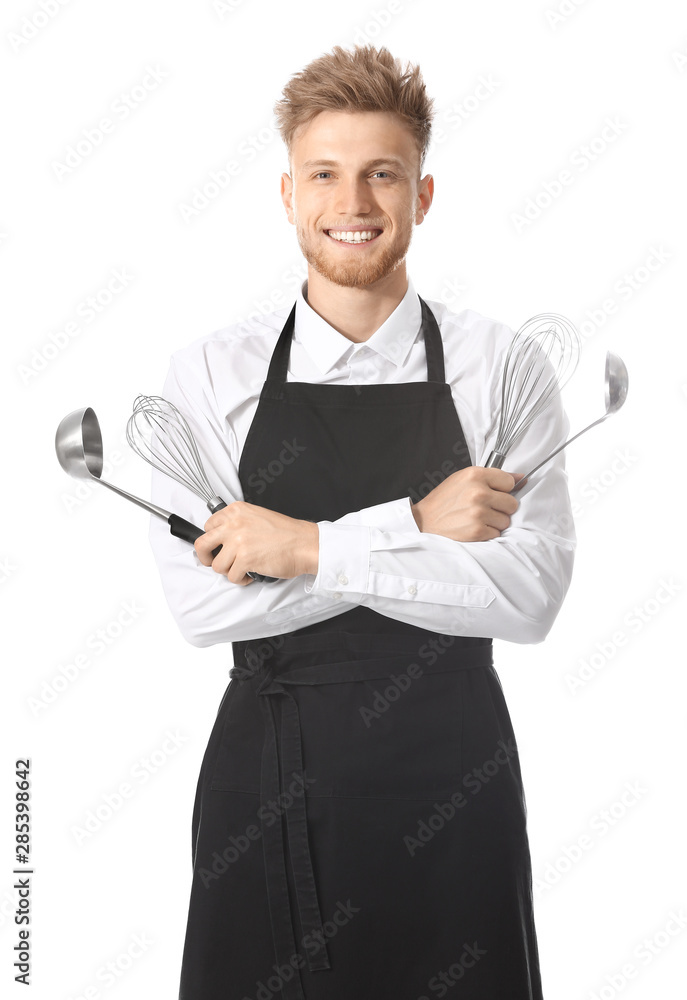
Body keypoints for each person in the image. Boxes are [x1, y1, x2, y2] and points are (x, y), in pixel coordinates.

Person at [148, 42, 576, 1000]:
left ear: (422, 195)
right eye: (326, 175)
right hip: (267, 774)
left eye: (383, 174)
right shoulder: (210, 376)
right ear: (288, 195)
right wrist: (420, 529)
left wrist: (298, 547)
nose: (353, 203)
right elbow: (202, 608)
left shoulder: (500, 368)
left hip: (453, 778)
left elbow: (529, 593)